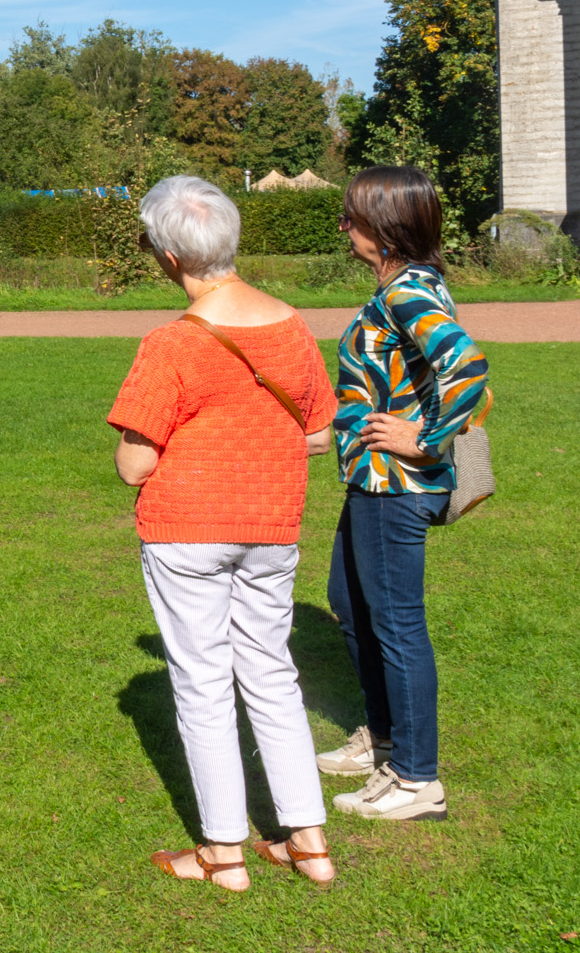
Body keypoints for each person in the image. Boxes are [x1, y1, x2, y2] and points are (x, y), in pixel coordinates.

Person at [106, 176, 340, 891]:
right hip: (271, 523)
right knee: (271, 671)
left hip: (189, 528)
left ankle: (223, 852)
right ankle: (309, 840)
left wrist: (196, 452)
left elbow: (134, 462)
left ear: (170, 255)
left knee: (203, 681)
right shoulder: (293, 325)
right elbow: (321, 430)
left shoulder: (171, 341)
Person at [320, 166, 489, 823]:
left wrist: (426, 437)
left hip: (396, 484)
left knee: (396, 623)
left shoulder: (408, 293)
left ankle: (418, 779)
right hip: (372, 478)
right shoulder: (405, 287)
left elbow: (466, 365)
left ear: (387, 229)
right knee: (349, 598)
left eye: (352, 217)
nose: (343, 227)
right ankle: (387, 744)